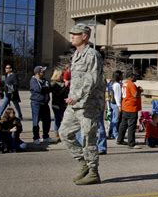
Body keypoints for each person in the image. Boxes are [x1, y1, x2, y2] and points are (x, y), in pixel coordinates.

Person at [59, 24, 106, 185]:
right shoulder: (77, 55)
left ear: (85, 36)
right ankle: (83, 163)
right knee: (64, 133)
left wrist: (77, 96)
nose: (72, 36)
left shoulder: (92, 54)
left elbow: (92, 79)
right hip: (74, 104)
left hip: (88, 105)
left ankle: (93, 172)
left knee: (89, 138)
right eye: (71, 34)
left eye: (75, 34)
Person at [118, 72, 143, 149]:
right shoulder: (131, 84)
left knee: (123, 124)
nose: (136, 78)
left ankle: (120, 139)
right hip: (131, 107)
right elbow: (135, 95)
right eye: (135, 77)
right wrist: (140, 91)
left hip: (125, 106)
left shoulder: (125, 83)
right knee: (131, 126)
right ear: (132, 77)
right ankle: (131, 143)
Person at [30, 66, 52, 145]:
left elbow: (49, 88)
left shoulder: (44, 80)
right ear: (38, 73)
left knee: (47, 120)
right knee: (36, 120)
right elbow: (38, 89)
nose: (44, 73)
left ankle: (45, 136)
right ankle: (36, 137)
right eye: (42, 71)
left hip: (45, 103)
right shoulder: (33, 80)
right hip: (36, 103)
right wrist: (45, 88)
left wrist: (45, 88)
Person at [50, 69, 69, 141]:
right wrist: (65, 87)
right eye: (61, 75)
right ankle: (57, 134)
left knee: (63, 119)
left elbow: (66, 93)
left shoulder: (63, 83)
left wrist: (66, 87)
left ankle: (62, 133)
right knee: (58, 119)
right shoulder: (54, 84)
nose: (62, 76)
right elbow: (58, 94)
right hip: (56, 104)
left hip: (63, 104)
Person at [107, 70, 123, 139]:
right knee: (115, 119)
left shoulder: (111, 82)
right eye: (121, 75)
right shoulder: (117, 84)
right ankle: (115, 134)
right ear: (118, 76)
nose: (122, 76)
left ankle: (111, 133)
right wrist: (119, 105)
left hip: (111, 102)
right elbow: (117, 96)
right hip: (116, 104)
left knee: (112, 119)